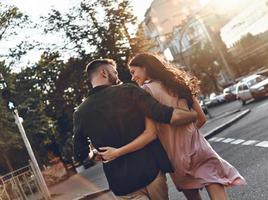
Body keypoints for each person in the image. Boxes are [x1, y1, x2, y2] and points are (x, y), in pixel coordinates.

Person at [99, 53, 246, 200]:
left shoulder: (145, 91)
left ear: (145, 68)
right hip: (199, 148)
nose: (132, 77)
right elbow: (201, 118)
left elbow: (152, 131)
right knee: (216, 185)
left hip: (174, 157)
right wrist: (187, 134)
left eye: (133, 72)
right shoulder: (179, 83)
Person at [73, 58, 198, 200]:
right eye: (114, 72)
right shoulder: (129, 91)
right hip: (150, 170)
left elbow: (80, 154)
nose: (117, 76)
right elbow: (165, 114)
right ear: (104, 73)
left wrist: (95, 154)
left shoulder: (80, 112)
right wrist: (193, 115)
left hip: (122, 183)